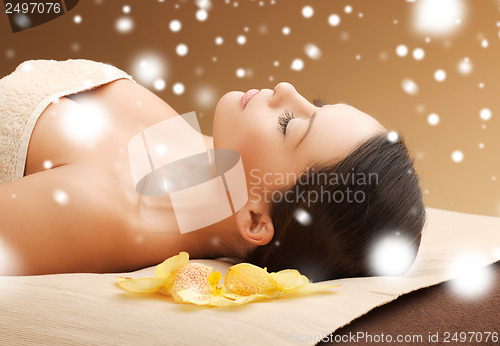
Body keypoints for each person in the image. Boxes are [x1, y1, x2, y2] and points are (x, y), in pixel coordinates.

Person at [0, 75, 425, 279]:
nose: (284, 89)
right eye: (315, 101)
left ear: (257, 221)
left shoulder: (102, 209)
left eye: (290, 124)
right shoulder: (205, 162)